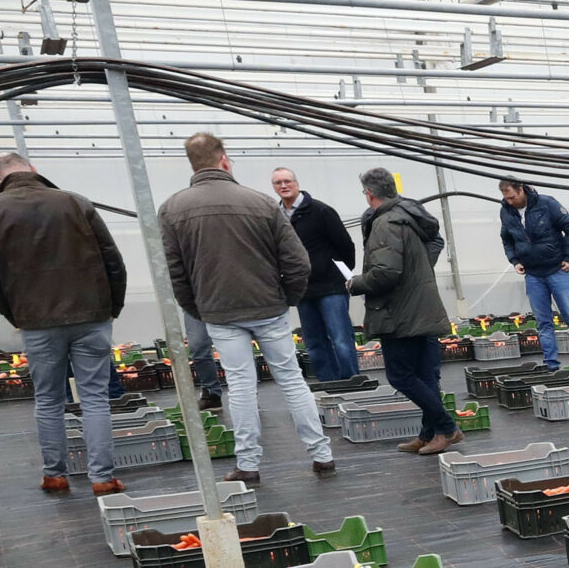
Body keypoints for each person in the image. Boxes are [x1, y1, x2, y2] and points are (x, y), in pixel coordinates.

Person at [158, 131, 335, 482]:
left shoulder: (172, 209)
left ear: (192, 163)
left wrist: (196, 306)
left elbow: (174, 271)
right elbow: (298, 262)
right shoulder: (261, 203)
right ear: (224, 160)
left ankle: (248, 464)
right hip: (268, 307)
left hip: (220, 312)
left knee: (240, 386)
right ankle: (322, 454)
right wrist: (286, 298)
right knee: (292, 381)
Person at [0, 151, 130, 496]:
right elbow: (112, 260)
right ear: (33, 170)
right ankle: (102, 477)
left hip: (37, 320)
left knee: (48, 399)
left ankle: (54, 475)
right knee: (95, 398)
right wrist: (112, 306)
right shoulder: (76, 203)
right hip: (91, 315)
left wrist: (15, 314)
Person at [349, 168, 461, 455]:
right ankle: (428, 433)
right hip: (421, 304)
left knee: (401, 376)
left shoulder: (386, 222)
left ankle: (447, 428)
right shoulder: (411, 213)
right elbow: (434, 242)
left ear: (370, 194)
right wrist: (419, 271)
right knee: (425, 376)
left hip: (399, 310)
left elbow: (385, 273)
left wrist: (355, 284)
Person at [498, 179, 569, 373]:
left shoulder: (547, 203)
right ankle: (552, 366)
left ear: (521, 190)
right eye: (506, 198)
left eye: (512, 197)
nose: (510, 202)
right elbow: (506, 239)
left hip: (557, 270)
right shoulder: (506, 211)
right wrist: (515, 261)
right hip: (533, 274)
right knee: (544, 322)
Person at [271, 167, 360, 383]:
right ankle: (328, 383)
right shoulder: (276, 217)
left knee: (340, 338)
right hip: (303, 289)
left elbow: (345, 245)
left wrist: (336, 272)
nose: (283, 186)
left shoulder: (321, 211)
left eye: (287, 181)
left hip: (331, 287)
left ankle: (352, 382)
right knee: (313, 342)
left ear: (297, 183)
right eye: (278, 183)